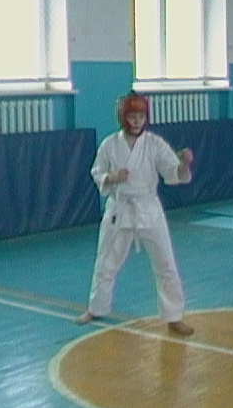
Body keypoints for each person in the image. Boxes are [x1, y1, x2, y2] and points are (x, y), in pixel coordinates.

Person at [76, 92, 194, 336]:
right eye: (132, 116)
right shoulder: (110, 144)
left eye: (141, 116)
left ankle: (174, 316)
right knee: (106, 262)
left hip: (148, 208)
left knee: (165, 263)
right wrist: (111, 177)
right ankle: (96, 308)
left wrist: (184, 164)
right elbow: (97, 172)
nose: (137, 121)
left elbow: (173, 173)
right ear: (123, 117)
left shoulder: (154, 143)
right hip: (119, 209)